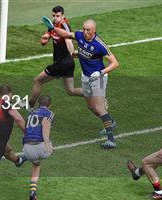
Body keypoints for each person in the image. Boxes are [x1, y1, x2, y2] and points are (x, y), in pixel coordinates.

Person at [43, 17, 119, 149]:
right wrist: (53, 28)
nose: (84, 32)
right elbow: (67, 34)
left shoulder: (100, 45)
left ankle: (111, 140)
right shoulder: (80, 35)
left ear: (94, 30)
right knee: (92, 107)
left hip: (98, 78)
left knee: (99, 108)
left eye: (88, 30)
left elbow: (115, 63)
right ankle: (110, 122)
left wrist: (101, 72)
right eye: (83, 29)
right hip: (86, 77)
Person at [27, 6, 83, 108]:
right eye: (54, 16)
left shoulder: (64, 26)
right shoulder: (52, 24)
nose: (55, 18)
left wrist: (72, 53)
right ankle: (96, 95)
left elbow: (68, 40)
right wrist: (44, 39)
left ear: (63, 16)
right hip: (66, 63)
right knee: (71, 91)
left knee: (37, 81)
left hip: (63, 63)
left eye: (58, 16)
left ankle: (29, 107)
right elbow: (46, 37)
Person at [15, 95, 54, 200]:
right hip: (42, 148)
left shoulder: (32, 113)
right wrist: (47, 143)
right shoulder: (49, 113)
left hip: (27, 148)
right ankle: (24, 158)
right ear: (49, 105)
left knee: (36, 164)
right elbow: (45, 127)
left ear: (38, 104)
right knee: (51, 144)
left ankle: (33, 190)